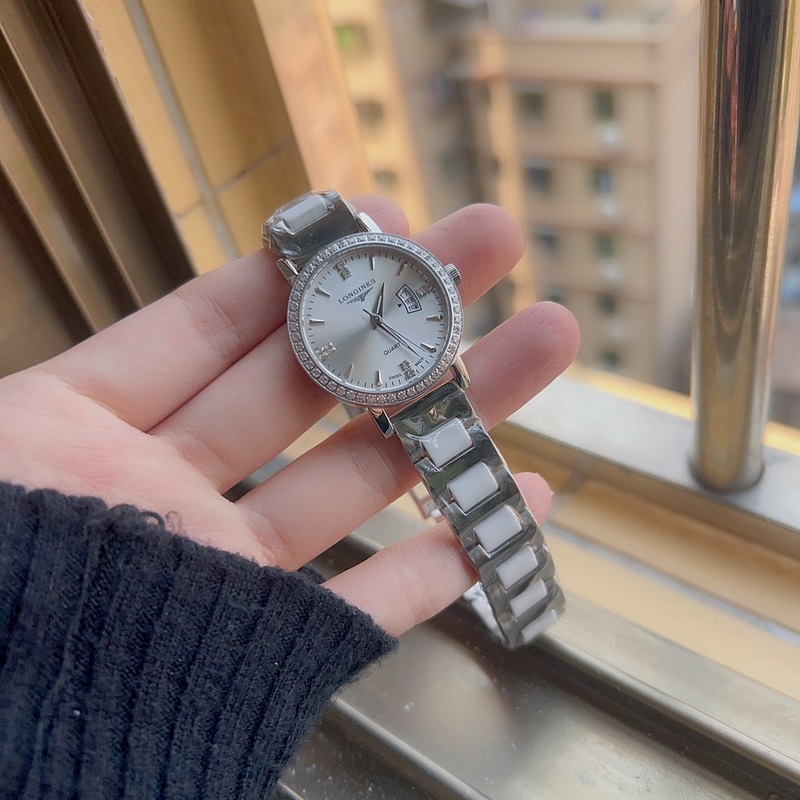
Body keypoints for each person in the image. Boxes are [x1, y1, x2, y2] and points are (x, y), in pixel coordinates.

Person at [0, 196, 579, 798]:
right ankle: (530, 606)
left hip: (410, 377)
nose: (375, 318)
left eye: (387, 307)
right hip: (394, 379)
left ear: (443, 282)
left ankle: (528, 603)